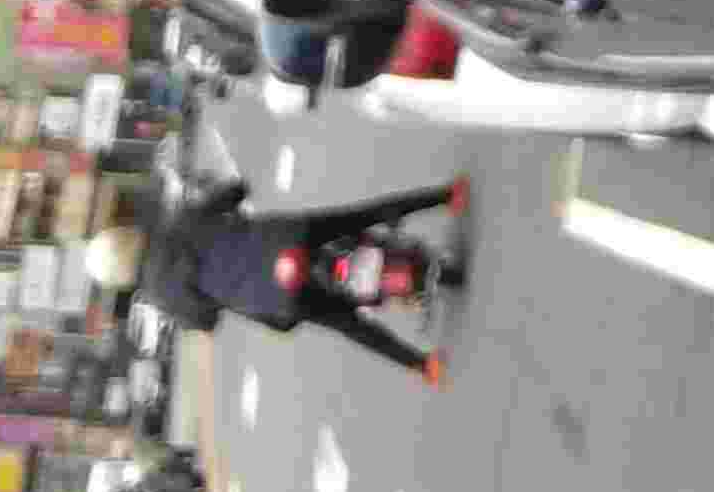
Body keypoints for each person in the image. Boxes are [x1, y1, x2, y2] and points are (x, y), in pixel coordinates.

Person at [127, 163, 472, 384]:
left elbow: (206, 321)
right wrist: (232, 192)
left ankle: (422, 365)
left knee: (350, 325)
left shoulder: (162, 298)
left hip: (277, 296)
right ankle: (446, 196)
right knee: (361, 216)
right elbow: (234, 191)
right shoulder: (177, 222)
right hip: (286, 237)